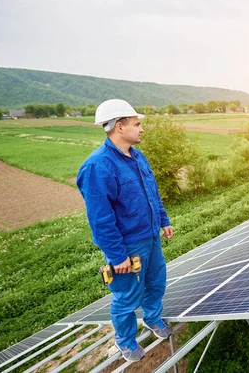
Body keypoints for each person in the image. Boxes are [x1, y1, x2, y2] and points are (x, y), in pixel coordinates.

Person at [77, 99, 174, 362]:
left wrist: (163, 220)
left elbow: (152, 193)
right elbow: (100, 219)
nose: (141, 129)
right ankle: (126, 342)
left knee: (156, 283)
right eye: (137, 124)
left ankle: (152, 320)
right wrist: (117, 255)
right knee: (127, 296)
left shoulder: (137, 156)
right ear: (120, 127)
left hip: (150, 236)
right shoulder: (98, 166)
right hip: (128, 245)